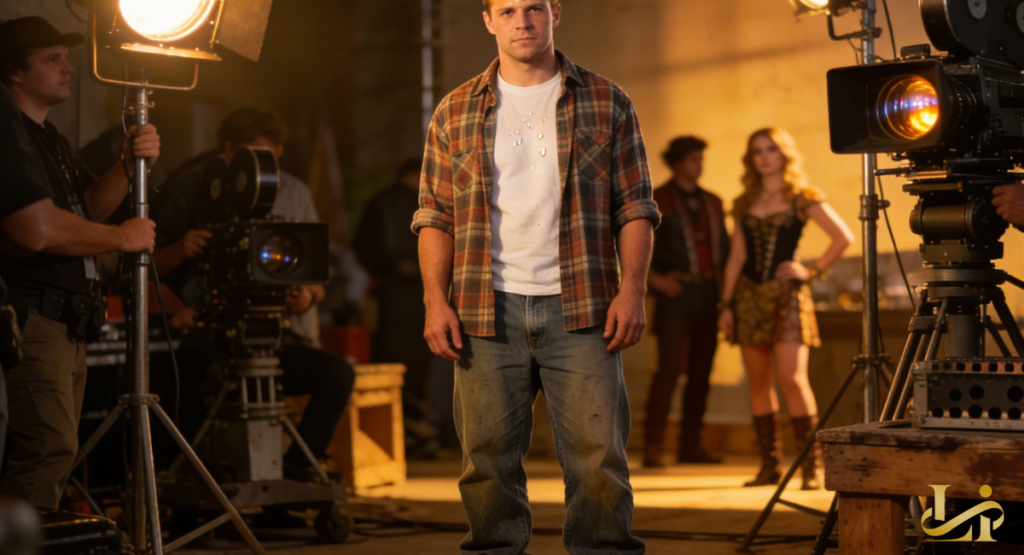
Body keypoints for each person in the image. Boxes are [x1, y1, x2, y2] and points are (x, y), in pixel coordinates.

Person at [413, 1, 660, 552]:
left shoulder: (606, 99)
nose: (521, 20)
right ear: (488, 21)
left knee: (600, 466)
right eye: (507, 10)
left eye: (534, 8)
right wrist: (435, 299)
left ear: (555, 14)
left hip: (583, 308)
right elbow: (435, 215)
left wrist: (632, 290)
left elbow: (635, 206)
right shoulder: (453, 110)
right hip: (484, 308)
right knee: (486, 466)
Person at [0, 16, 158, 509]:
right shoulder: (10, 135)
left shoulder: (47, 138)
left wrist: (131, 166)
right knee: (46, 448)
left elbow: (82, 211)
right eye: (52, 59)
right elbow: (36, 230)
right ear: (15, 73)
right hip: (33, 312)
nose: (68, 68)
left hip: (66, 317)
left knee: (55, 449)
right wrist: (123, 238)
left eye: (66, 57)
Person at [149, 107, 354, 479]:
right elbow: (142, 267)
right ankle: (190, 486)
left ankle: (297, 470)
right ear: (228, 149)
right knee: (184, 390)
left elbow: (316, 277)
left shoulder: (295, 192)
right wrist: (181, 253)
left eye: (272, 156)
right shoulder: (191, 187)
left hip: (276, 334)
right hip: (206, 336)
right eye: (254, 155)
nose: (265, 166)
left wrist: (307, 296)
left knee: (336, 375)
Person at [716, 128, 852, 490]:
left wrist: (810, 270)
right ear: (751, 158)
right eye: (757, 150)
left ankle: (811, 468)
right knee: (759, 382)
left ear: (783, 155)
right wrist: (726, 305)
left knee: (792, 379)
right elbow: (737, 258)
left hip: (787, 297)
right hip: (747, 297)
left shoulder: (801, 198)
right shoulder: (744, 202)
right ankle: (769, 467)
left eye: (771, 149)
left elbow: (843, 237)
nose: (764, 156)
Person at [354, 159, 457, 456]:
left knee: (403, 360)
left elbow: (363, 247)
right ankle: (416, 431)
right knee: (415, 361)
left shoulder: (382, 201)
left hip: (399, 293)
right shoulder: (424, 201)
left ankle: (408, 432)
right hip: (410, 294)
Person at [643, 136, 729, 467]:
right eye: (693, 159)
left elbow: (724, 248)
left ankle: (689, 445)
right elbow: (630, 243)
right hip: (674, 296)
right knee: (667, 370)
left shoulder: (713, 201)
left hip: (708, 293)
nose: (699, 164)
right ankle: (653, 445)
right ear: (678, 163)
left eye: (700, 159)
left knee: (701, 371)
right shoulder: (657, 199)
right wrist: (655, 279)